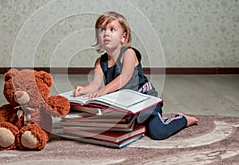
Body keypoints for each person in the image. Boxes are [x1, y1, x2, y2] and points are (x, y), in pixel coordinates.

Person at [73, 11, 198, 140]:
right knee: (104, 127)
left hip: (144, 101)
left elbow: (125, 77)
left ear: (123, 36)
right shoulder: (100, 62)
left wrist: (103, 91)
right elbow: (95, 84)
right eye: (102, 30)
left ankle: (183, 119)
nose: (106, 33)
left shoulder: (129, 53)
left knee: (158, 132)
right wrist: (84, 89)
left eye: (112, 29)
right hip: (124, 105)